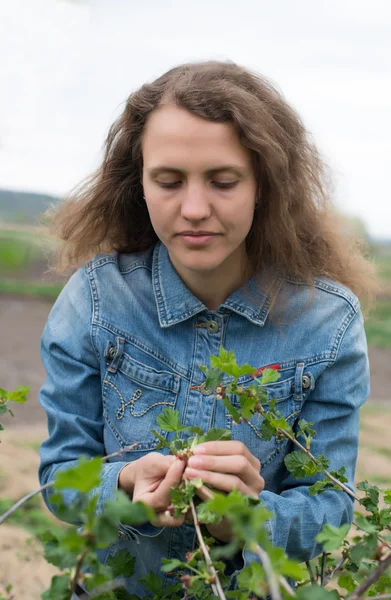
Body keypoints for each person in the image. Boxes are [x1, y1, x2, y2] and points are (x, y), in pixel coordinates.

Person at [38, 60, 376, 597]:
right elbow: (60, 478)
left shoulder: (328, 322)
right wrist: (123, 485)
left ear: (265, 184)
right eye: (168, 181)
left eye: (223, 181)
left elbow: (329, 508)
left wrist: (242, 516)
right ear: (139, 183)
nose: (195, 209)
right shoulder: (96, 300)